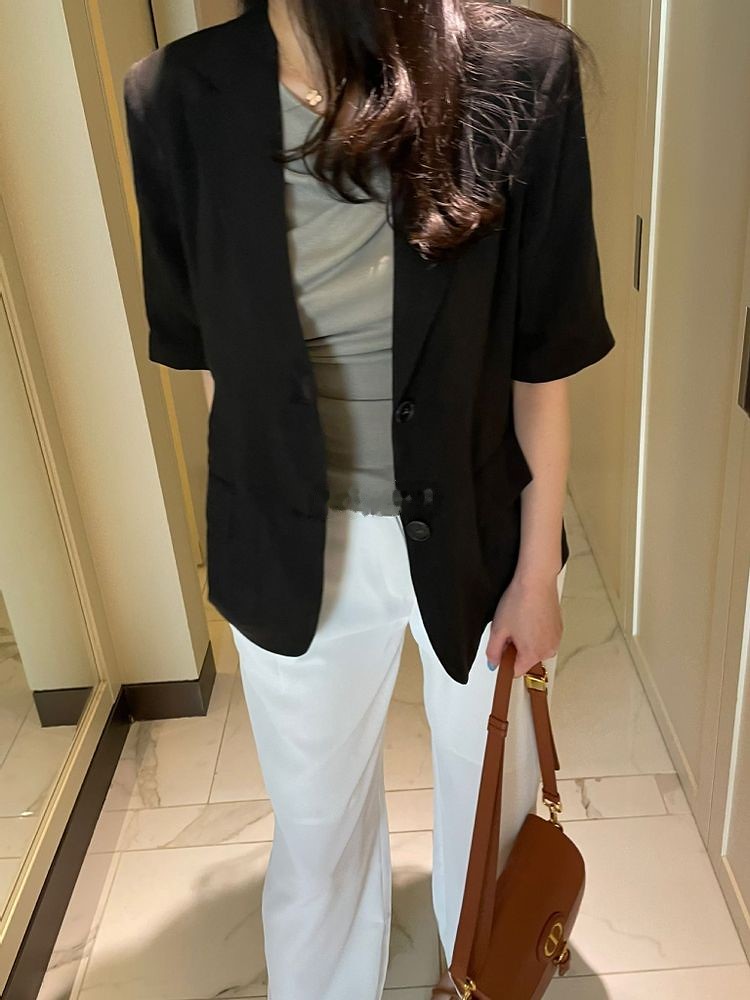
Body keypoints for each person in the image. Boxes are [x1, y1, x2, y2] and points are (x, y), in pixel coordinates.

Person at [123, 1, 614, 997]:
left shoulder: (521, 69)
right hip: (291, 538)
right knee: (315, 833)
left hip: (481, 534)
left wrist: (536, 573)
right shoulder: (175, 97)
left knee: (491, 817)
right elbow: (216, 363)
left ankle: (478, 978)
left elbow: (542, 363)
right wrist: (252, 522)